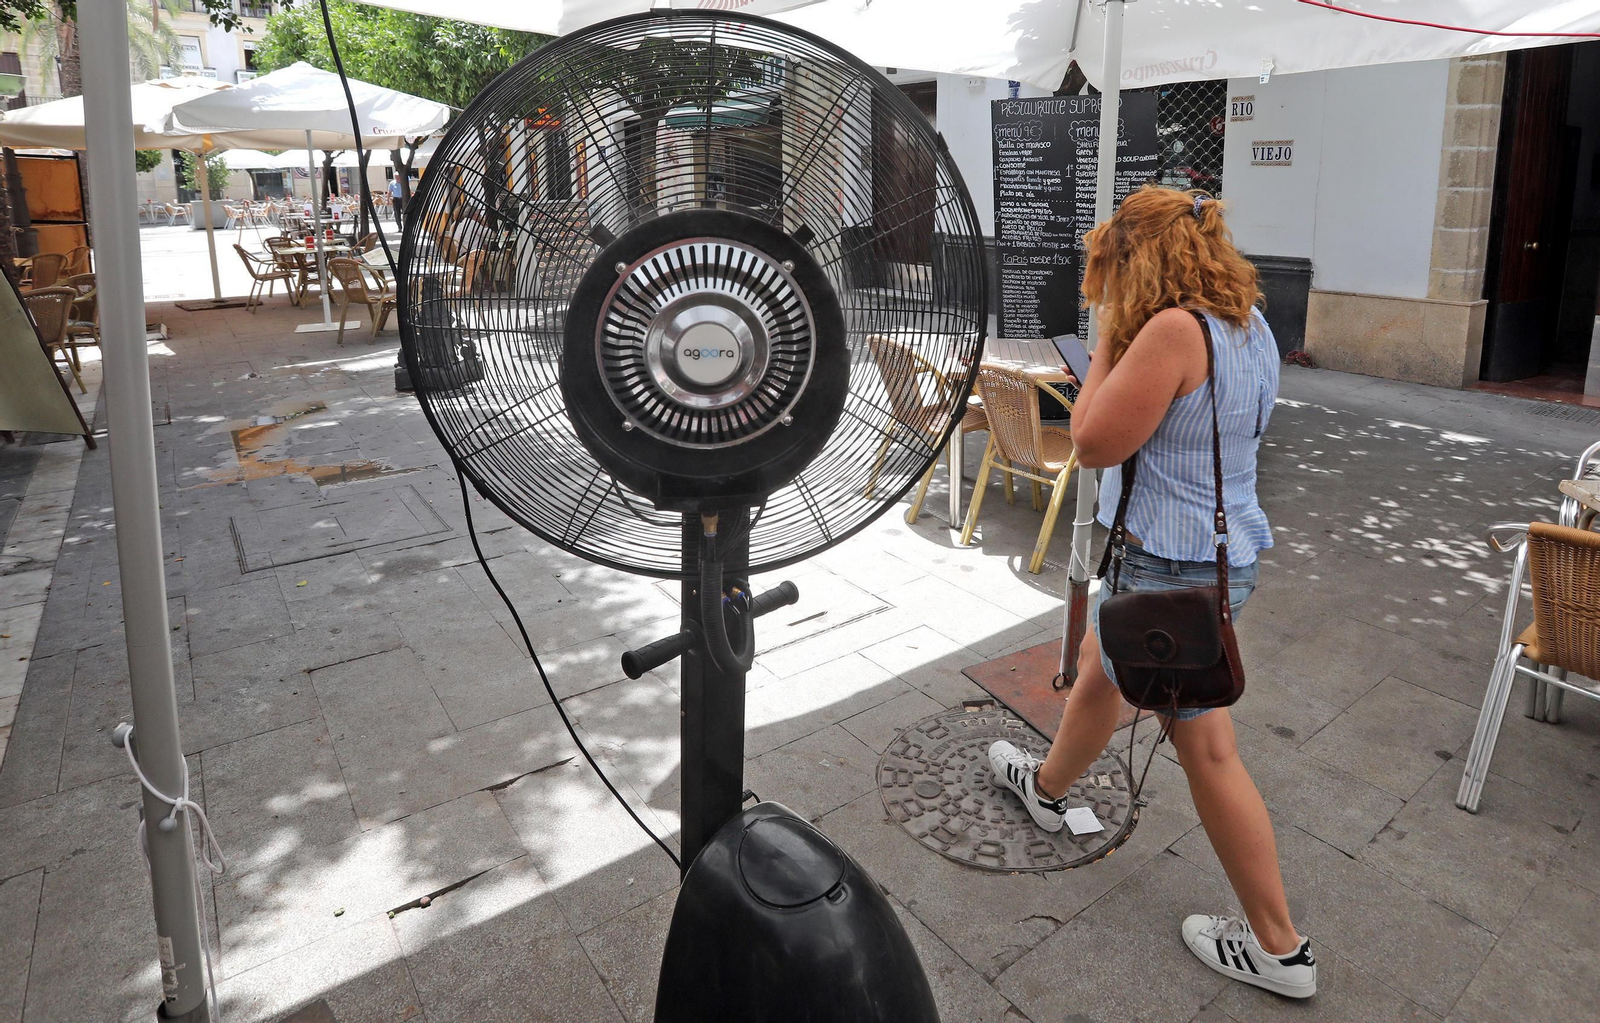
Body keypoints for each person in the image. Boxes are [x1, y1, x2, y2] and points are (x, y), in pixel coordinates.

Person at [987, 186, 1316, 1000]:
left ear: (1137, 264)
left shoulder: (1170, 331)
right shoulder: (1251, 324)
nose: (1103, 289)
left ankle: (1280, 946)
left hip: (1170, 571)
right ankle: (1049, 788)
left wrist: (1105, 339)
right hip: (1214, 552)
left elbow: (1094, 443)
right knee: (1102, 665)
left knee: (1206, 748)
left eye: (1109, 272)